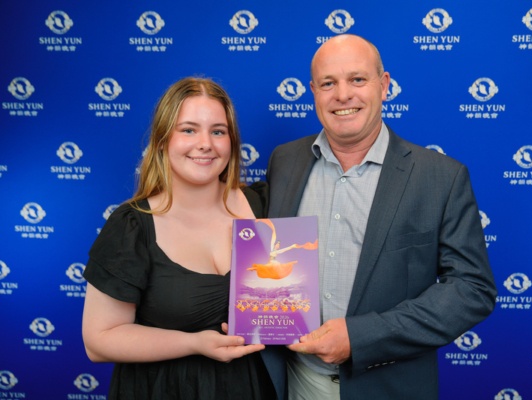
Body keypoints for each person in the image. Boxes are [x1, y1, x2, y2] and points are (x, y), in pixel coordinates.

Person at [264, 34, 497, 399]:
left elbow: (472, 289)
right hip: (296, 382)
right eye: (328, 83)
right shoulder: (285, 160)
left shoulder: (440, 177)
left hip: (388, 388)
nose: (343, 95)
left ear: (384, 85)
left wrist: (361, 337)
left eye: (357, 79)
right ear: (313, 92)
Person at [81, 77, 276, 399]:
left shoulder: (265, 205)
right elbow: (99, 341)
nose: (205, 144)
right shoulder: (133, 224)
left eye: (218, 131)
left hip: (253, 387)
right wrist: (194, 343)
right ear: (162, 141)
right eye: (188, 130)